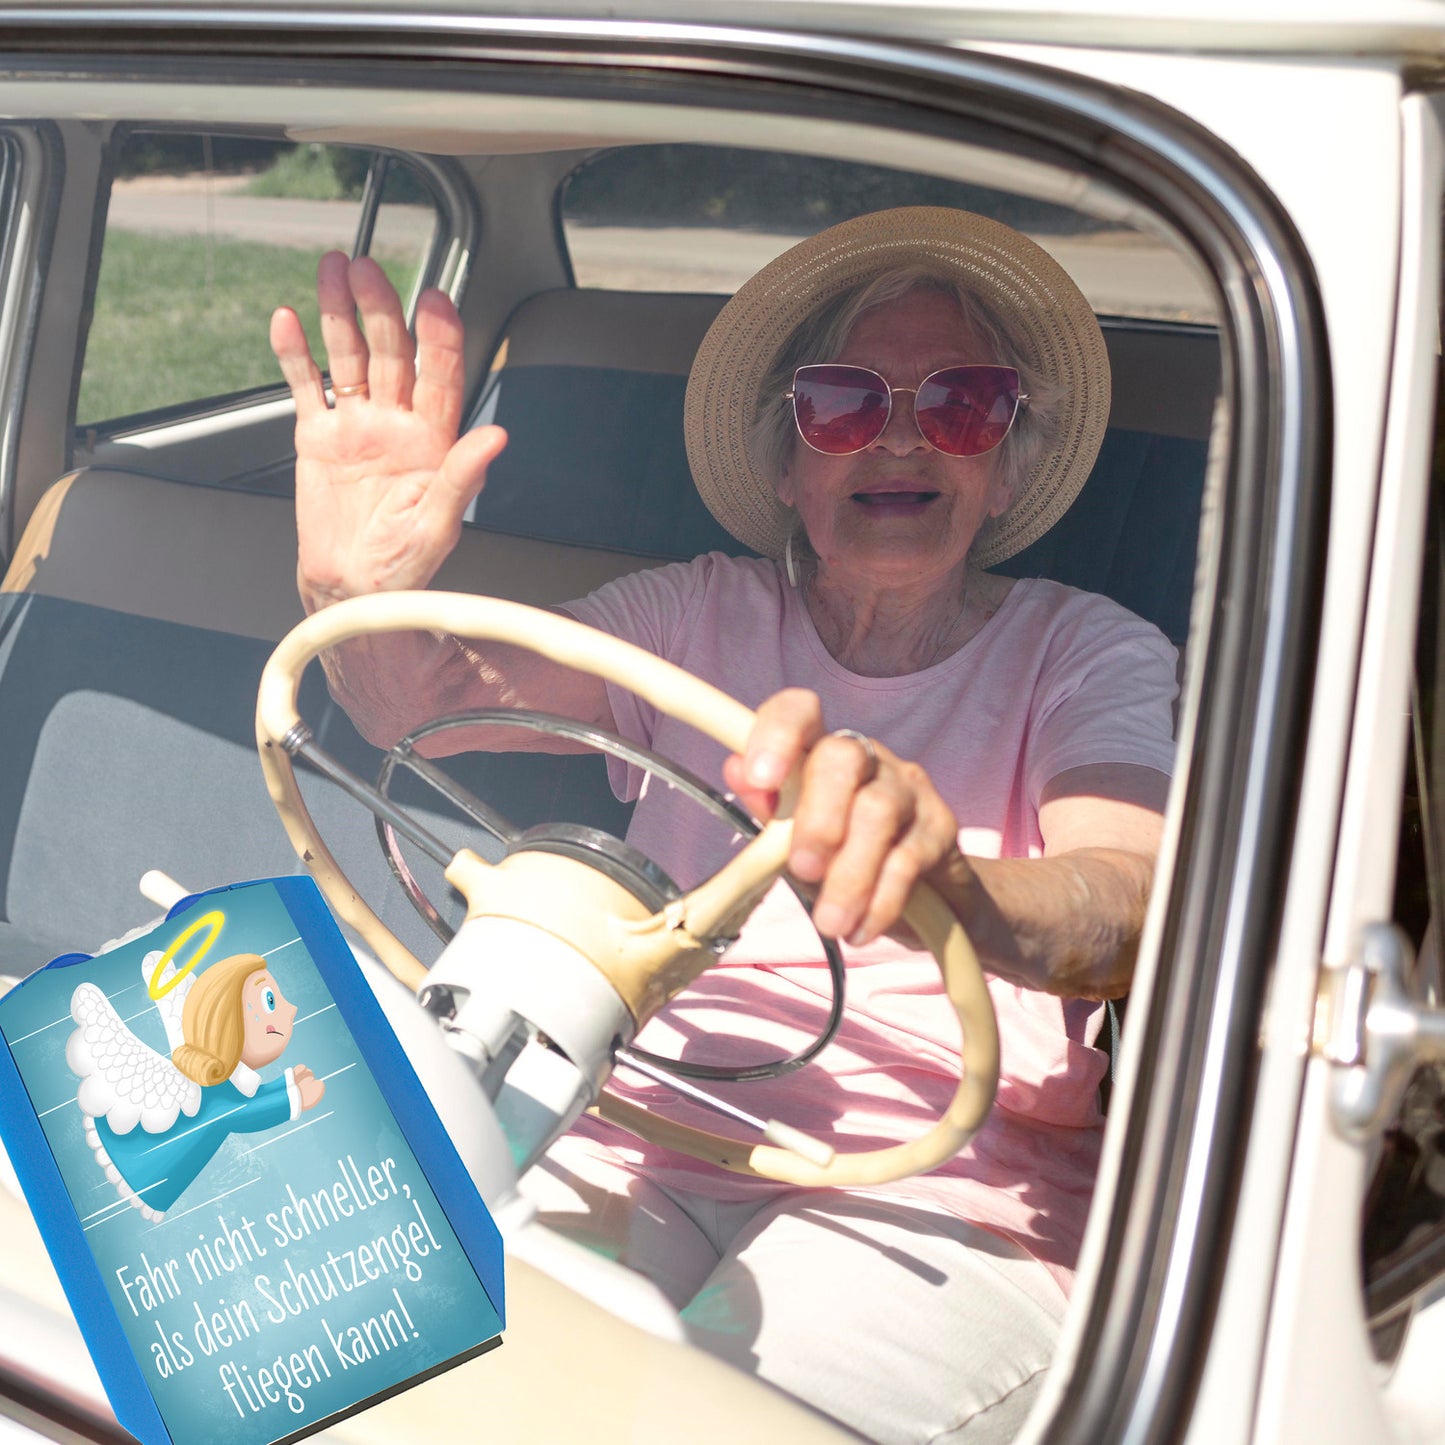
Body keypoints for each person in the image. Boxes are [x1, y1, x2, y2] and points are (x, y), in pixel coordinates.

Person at [270, 206, 1176, 1443]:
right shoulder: (694, 608)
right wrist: (355, 594)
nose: (900, 437)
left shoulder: (1088, 649)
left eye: (958, 403)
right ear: (789, 461)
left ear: (1006, 460)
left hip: (947, 1194)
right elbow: (413, 702)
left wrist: (949, 887)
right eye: (845, 403)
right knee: (375, 1358)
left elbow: (1128, 896)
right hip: (643, 1109)